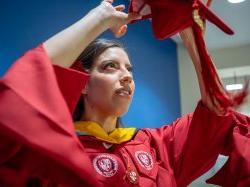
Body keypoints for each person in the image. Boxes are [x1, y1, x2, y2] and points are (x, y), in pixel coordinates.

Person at [0, 0, 249, 186]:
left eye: (129, 68)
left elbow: (216, 112)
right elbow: (25, 84)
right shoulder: (55, 152)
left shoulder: (156, 145)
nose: (127, 75)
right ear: (83, 82)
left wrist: (192, 35)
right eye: (111, 67)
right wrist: (100, 17)